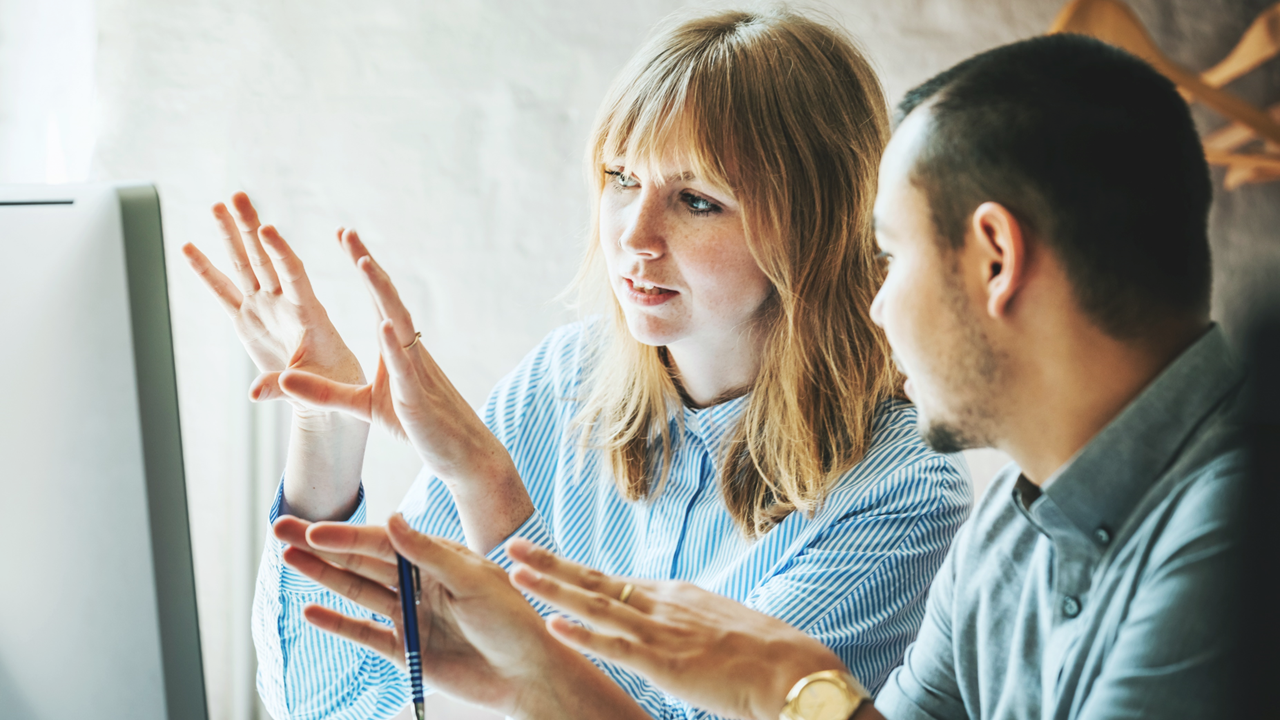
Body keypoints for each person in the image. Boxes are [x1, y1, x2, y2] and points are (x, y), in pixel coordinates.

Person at [272, 31, 1245, 720]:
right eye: (618, 179)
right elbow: (333, 694)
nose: (874, 303)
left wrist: (780, 691)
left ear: (993, 259)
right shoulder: (1021, 515)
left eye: (890, 255)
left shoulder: (1234, 536)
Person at [182, 8, 972, 719]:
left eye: (697, 199)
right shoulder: (562, 382)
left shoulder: (902, 485)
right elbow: (331, 705)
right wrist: (325, 428)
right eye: (621, 179)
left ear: (815, 224)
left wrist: (489, 490)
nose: (633, 234)